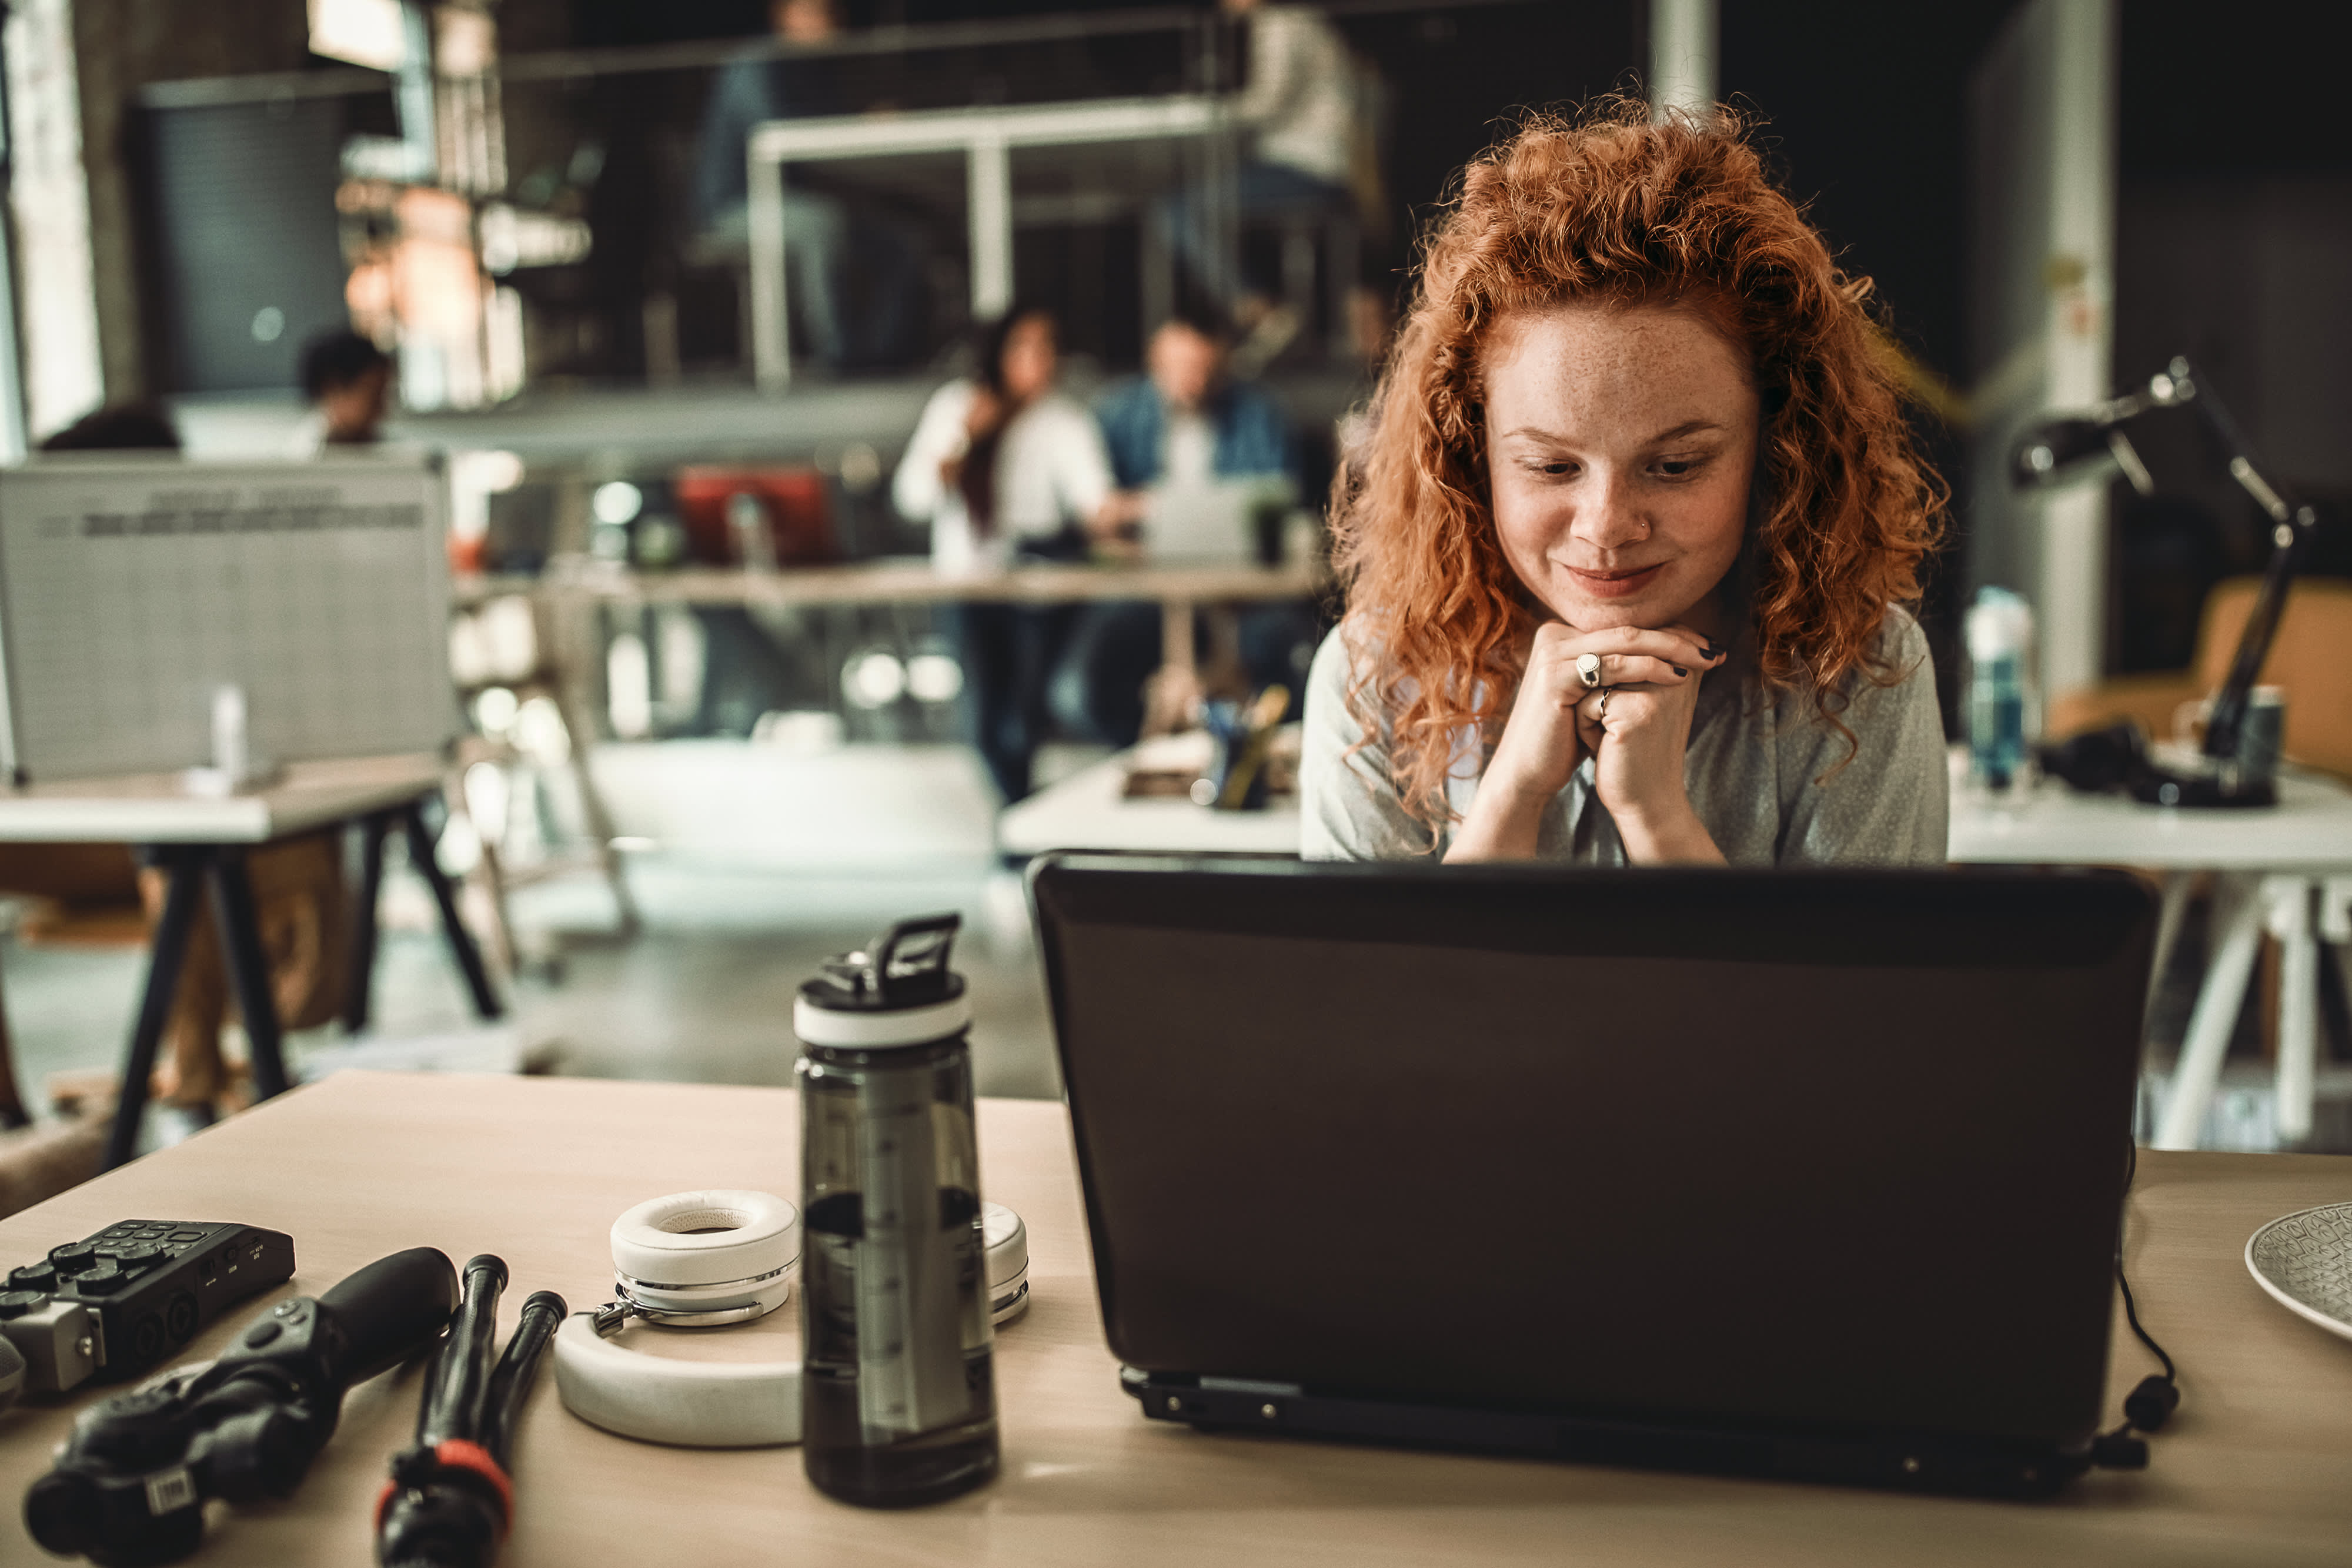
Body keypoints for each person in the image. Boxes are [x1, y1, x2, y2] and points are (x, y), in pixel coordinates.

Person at [1302, 103, 1948, 867]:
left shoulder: (1858, 668)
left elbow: (1854, 991)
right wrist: (1512, 792)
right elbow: (1378, 990)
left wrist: (1657, 815)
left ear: (1777, 448)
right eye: (1550, 467)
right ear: (1469, 453)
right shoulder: (1377, 675)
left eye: (1675, 466)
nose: (1606, 527)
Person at [893, 309, 1118, 800]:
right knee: (981, 718)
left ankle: (1019, 822)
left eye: (1047, 346)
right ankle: (1014, 819)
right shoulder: (956, 406)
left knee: (1024, 717)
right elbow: (912, 498)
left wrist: (1121, 515)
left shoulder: (1063, 421)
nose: (1038, 359)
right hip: (966, 585)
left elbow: (1093, 501)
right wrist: (965, 440)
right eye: (1024, 346)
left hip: (1032, 589)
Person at [1054, 312, 1301, 744]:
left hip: (1242, 594)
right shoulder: (1116, 414)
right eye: (1181, 368)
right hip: (1142, 588)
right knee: (1077, 691)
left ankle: (1243, 762)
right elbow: (1089, 512)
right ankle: (1149, 757)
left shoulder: (1257, 415)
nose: (1194, 381)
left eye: (1205, 369)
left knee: (1293, 664)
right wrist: (1114, 525)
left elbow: (1277, 502)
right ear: (1155, 362)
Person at [694, 0, 921, 372]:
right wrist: (858, 127)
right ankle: (839, 357)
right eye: (813, 12)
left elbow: (825, 148)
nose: (827, 24)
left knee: (898, 242)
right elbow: (777, 134)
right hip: (732, 209)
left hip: (797, 203)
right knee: (822, 224)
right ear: (782, 16)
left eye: (831, 14)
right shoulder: (754, 64)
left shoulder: (817, 69)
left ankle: (881, 357)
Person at [1164, 0, 1361, 360]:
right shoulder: (1301, 20)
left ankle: (1259, 309)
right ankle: (1260, 311)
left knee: (1179, 211)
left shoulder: (1281, 22)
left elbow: (1267, 101)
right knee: (1196, 203)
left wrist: (1207, 105)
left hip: (1308, 168)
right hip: (1314, 164)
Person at [292, 330, 394, 453]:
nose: (382, 408)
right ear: (334, 390)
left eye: (383, 395)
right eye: (374, 397)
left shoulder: (394, 450)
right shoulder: (302, 455)